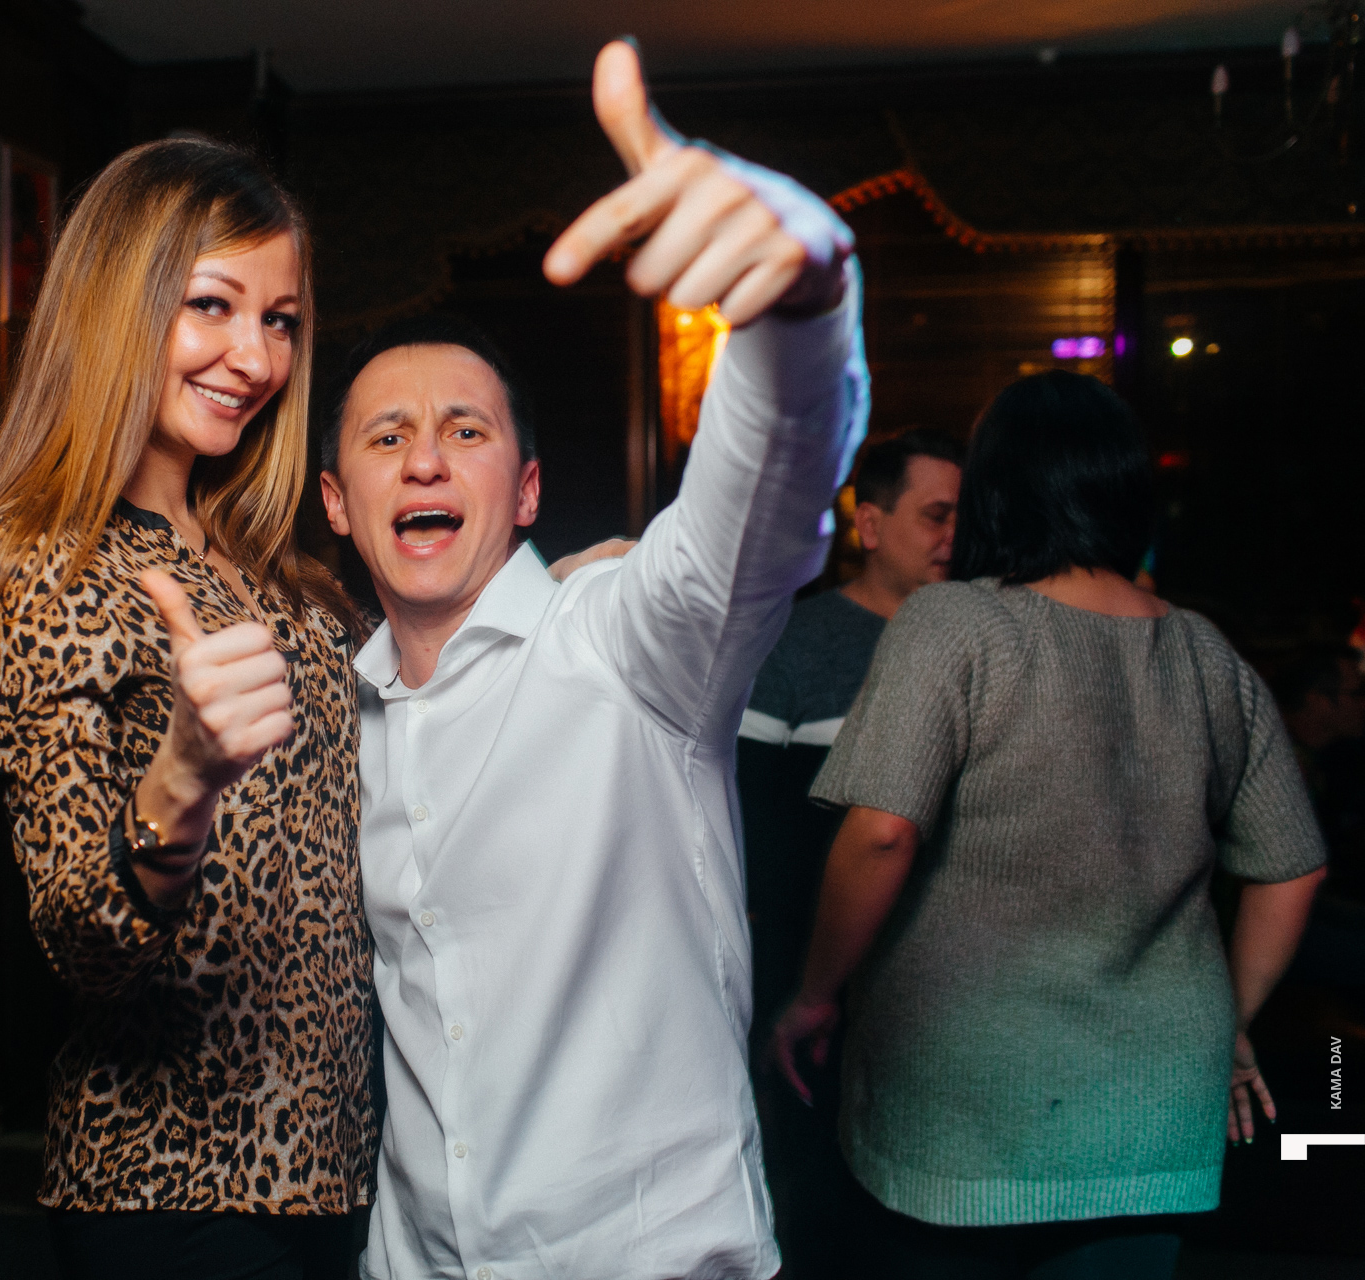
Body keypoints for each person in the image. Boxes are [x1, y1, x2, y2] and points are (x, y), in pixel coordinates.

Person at [317, 42, 867, 1279]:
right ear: (339, 504)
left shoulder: (629, 646)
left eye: (464, 430)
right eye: (386, 437)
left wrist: (803, 305)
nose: (423, 459)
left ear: (524, 491)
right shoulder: (336, 713)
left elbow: (759, 508)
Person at [772, 370, 1328, 1279]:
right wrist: (1230, 1015)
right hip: (1154, 1110)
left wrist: (816, 995)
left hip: (963, 1108)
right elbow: (1292, 867)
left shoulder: (955, 624)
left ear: (998, 489)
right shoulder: (1205, 651)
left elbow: (881, 832)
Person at [0, 139, 375, 1280]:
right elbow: (80, 933)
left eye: (280, 320)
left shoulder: (271, 561)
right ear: (119, 304)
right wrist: (183, 774)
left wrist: (560, 598)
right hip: (175, 1180)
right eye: (212, 306)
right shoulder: (37, 559)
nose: (256, 357)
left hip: (339, 1157)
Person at [734, 427, 961, 1277]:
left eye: (965, 518)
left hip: (950, 986)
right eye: (936, 515)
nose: (954, 536)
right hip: (816, 972)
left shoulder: (982, 638)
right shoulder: (796, 641)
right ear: (869, 524)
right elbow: (751, 817)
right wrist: (787, 984)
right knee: (821, 1206)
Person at [1272, 645, 1365, 987]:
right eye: (1357, 694)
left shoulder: (1320, 761)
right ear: (1318, 701)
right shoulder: (1283, 767)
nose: (1363, 705)